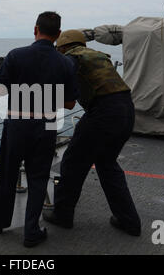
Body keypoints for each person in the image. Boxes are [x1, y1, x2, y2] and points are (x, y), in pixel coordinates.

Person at [0, 12, 78, 248]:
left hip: (17, 124)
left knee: (7, 173)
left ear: (35, 29)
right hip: (45, 126)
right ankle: (31, 232)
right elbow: (70, 104)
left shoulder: (15, 55)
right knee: (38, 178)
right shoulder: (66, 62)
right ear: (57, 35)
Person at [43, 29, 141, 236]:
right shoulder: (95, 55)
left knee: (72, 162)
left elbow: (61, 79)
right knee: (107, 164)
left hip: (103, 113)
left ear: (63, 47)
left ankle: (62, 215)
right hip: (126, 110)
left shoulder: (71, 58)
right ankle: (129, 220)